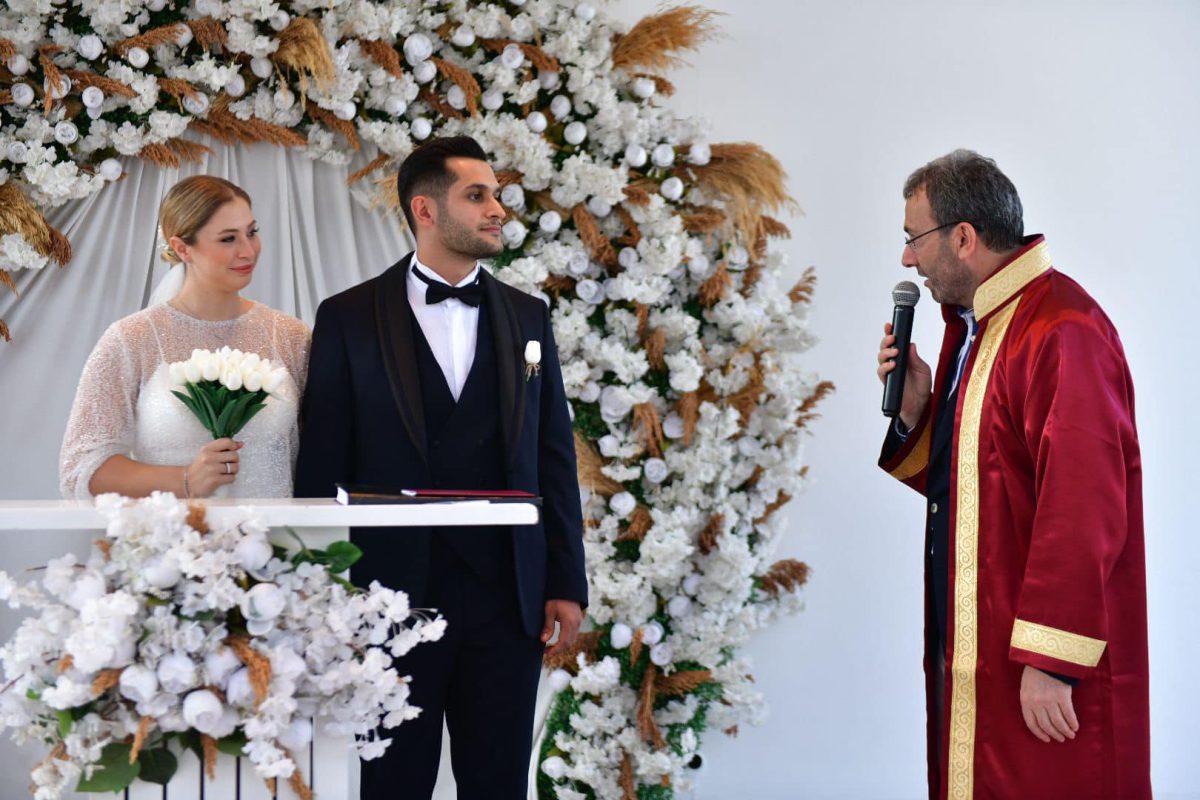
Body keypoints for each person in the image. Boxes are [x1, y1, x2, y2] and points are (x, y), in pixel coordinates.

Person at [294, 136, 587, 799]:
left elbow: (553, 455)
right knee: (391, 787)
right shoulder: (347, 317)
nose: (497, 210)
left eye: (497, 196)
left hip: (507, 599)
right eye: (476, 196)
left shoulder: (528, 316)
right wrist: (326, 600)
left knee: (499, 785)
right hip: (389, 599)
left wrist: (566, 580)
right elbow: (322, 467)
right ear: (424, 210)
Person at [876, 150, 1149, 799]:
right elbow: (980, 484)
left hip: (1039, 669)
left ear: (963, 238)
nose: (907, 259)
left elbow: (1083, 504)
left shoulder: (1061, 329)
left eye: (914, 238)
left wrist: (1053, 660)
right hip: (981, 646)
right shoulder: (980, 328)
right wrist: (918, 410)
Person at [59, 175, 310, 500]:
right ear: (181, 248)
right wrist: (185, 479)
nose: (248, 251)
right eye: (228, 239)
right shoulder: (131, 339)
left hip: (277, 530)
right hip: (174, 530)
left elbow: (323, 449)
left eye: (252, 232)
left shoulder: (290, 336)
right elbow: (81, 467)